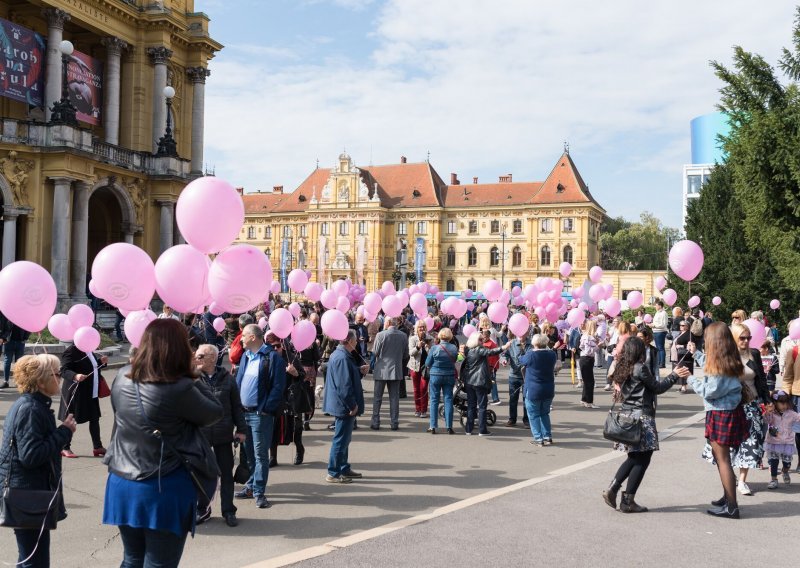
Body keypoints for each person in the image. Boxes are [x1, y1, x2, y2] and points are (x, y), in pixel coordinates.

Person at [102, 319, 223, 566]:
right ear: (178, 348)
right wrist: (196, 375)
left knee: (132, 558)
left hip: (121, 479)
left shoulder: (122, 377)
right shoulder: (178, 387)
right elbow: (214, 413)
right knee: (159, 563)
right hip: (161, 485)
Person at [0, 354, 76, 567]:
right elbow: (31, 455)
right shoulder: (31, 408)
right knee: (35, 562)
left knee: (30, 559)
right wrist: (64, 432)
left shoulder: (33, 404)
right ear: (41, 381)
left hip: (29, 492)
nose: (60, 377)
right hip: (27, 494)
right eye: (56, 373)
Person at [602, 337, 689, 513]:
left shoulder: (621, 366)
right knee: (642, 458)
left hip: (627, 416)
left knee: (634, 456)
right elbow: (658, 387)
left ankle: (614, 488)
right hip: (642, 417)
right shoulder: (640, 368)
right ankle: (627, 499)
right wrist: (674, 375)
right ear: (639, 351)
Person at [688, 322, 747, 519]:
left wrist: (689, 379)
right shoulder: (729, 357)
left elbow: (709, 391)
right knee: (724, 459)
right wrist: (696, 354)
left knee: (723, 460)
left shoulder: (719, 366)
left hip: (721, 413)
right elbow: (712, 367)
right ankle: (727, 497)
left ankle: (731, 506)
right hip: (729, 412)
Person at [234, 324, 286, 509]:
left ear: (254, 338)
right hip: (244, 414)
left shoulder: (271, 358)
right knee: (249, 455)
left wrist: (265, 409)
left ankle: (259, 492)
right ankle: (250, 485)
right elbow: (237, 384)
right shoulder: (246, 357)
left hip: (260, 414)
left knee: (260, 455)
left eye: (244, 336)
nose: (241, 339)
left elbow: (278, 387)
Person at [195, 343, 247, 528]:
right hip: (200, 436)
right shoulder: (192, 378)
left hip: (223, 434)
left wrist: (241, 430)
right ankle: (202, 509)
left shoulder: (228, 379)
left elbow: (236, 407)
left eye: (200, 356)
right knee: (201, 474)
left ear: (212, 358)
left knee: (226, 473)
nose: (196, 358)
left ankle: (228, 511)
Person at [725, 323, 769, 496]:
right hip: (732, 406)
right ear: (734, 338)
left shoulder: (755, 354)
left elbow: (762, 379)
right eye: (742, 337)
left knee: (750, 442)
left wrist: (767, 400)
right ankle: (730, 475)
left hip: (752, 405)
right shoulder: (728, 356)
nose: (746, 341)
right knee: (731, 444)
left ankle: (742, 480)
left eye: (748, 337)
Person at [323, 330, 366, 483]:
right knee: (341, 439)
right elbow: (344, 385)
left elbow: (347, 376)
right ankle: (333, 472)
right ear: (348, 341)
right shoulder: (342, 357)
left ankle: (343, 467)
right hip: (343, 405)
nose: (356, 342)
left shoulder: (342, 355)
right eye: (354, 340)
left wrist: (359, 371)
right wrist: (352, 405)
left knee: (344, 439)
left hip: (342, 404)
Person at [58, 342, 108, 458]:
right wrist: (75, 376)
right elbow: (64, 370)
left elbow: (92, 367)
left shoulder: (88, 348)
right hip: (76, 391)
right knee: (71, 419)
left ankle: (97, 447)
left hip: (90, 390)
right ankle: (65, 447)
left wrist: (101, 362)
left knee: (94, 418)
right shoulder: (71, 350)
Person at [461, 332, 507, 436]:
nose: (483, 341)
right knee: (482, 406)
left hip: (469, 381)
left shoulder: (468, 350)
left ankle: (469, 429)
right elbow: (491, 352)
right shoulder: (478, 349)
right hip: (479, 381)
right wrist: (504, 347)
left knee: (471, 406)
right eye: (480, 340)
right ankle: (482, 430)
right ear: (475, 341)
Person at [370, 317, 409, 431]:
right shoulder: (403, 336)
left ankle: (375, 422)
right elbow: (406, 354)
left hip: (381, 370)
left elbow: (375, 352)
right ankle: (394, 422)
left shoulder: (381, 335)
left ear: (387, 323)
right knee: (394, 398)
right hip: (396, 370)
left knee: (377, 398)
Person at [520, 334, 559, 445]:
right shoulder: (552, 354)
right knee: (544, 413)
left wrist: (523, 350)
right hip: (548, 389)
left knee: (534, 414)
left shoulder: (530, 355)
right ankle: (547, 436)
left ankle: (538, 438)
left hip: (534, 389)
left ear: (535, 343)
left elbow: (521, 360)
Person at [424, 328, 459, 434]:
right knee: (448, 399)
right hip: (449, 375)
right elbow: (455, 360)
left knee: (434, 400)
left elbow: (427, 363)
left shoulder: (434, 348)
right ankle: (449, 426)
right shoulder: (453, 347)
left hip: (435, 375)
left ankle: (433, 426)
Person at [763, 390, 800, 489]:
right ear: (775, 403)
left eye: (786, 403)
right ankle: (774, 479)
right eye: (782, 403)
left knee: (787, 463)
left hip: (787, 442)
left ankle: (785, 471)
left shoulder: (791, 413)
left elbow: (798, 418)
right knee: (774, 462)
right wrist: (768, 412)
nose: (784, 405)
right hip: (774, 441)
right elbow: (767, 420)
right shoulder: (772, 413)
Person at [503, 331, 530, 427]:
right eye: (520, 331)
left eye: (524, 332)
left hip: (527, 376)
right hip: (514, 375)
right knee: (513, 399)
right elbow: (504, 354)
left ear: (527, 333)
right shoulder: (512, 343)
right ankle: (512, 419)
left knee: (526, 399)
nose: (522, 334)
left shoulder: (531, 344)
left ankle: (526, 420)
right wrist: (504, 360)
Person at [0, 311, 30, 389]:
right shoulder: (9, 314)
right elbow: (3, 326)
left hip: (20, 342)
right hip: (9, 341)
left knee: (19, 363)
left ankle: (18, 381)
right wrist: (4, 337)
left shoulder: (24, 316)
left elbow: (28, 327)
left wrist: (25, 337)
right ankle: (6, 381)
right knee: (7, 362)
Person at [408, 320, 432, 419]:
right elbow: (411, 353)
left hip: (425, 368)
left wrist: (428, 347)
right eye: (420, 327)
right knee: (416, 389)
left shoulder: (430, 338)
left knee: (423, 388)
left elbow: (433, 353)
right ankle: (417, 409)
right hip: (415, 366)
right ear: (416, 328)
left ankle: (424, 410)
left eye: (423, 327)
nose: (421, 329)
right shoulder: (412, 339)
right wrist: (418, 347)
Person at [578, 319, 599, 408]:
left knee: (587, 381)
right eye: (596, 326)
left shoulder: (585, 336)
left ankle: (584, 399)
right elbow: (588, 351)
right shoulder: (588, 337)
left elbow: (581, 346)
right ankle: (589, 401)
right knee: (590, 381)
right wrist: (597, 347)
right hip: (587, 358)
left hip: (585, 359)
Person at [670, 319, 693, 393]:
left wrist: (681, 346)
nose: (681, 327)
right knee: (680, 369)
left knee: (684, 370)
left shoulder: (689, 334)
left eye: (683, 325)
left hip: (685, 355)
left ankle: (684, 387)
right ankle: (682, 386)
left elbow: (690, 344)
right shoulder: (681, 333)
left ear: (687, 326)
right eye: (680, 325)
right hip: (679, 354)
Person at [652, 301, 668, 369]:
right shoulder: (657, 313)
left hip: (660, 331)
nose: (655, 307)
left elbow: (663, 324)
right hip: (655, 331)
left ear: (660, 306)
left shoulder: (664, 313)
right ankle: (659, 362)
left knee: (661, 348)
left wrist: (654, 325)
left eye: (656, 305)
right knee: (657, 348)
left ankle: (662, 363)